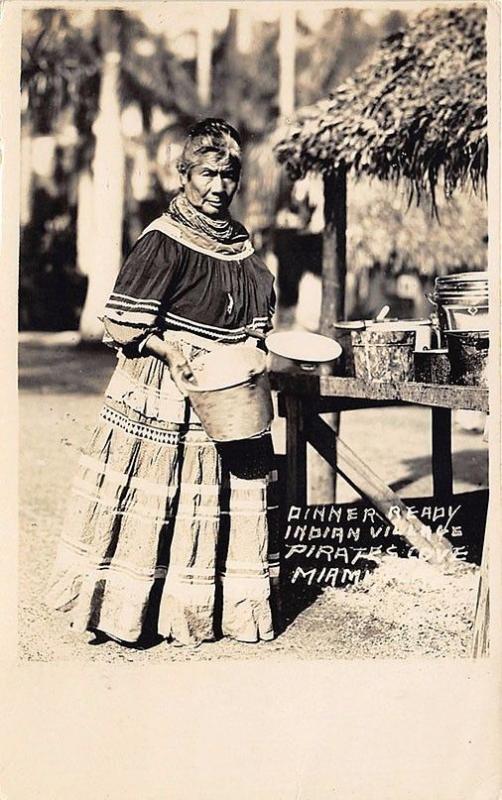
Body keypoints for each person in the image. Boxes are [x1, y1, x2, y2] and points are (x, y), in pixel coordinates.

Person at [46, 119, 280, 648]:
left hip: (228, 389)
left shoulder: (240, 243)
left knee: (219, 497)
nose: (219, 187)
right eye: (207, 174)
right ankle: (128, 612)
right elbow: (122, 321)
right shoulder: (163, 239)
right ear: (183, 174)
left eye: (229, 175)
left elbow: (256, 301)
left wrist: (254, 345)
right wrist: (170, 349)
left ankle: (210, 611)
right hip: (167, 386)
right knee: (158, 498)